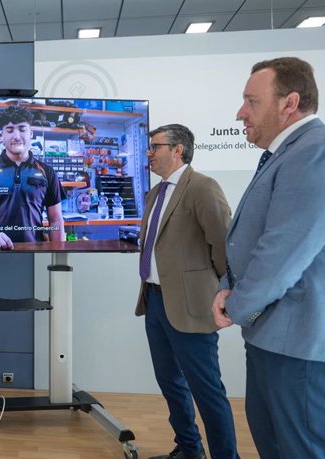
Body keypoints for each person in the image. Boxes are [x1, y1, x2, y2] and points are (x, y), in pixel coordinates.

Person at [212, 57, 325, 457]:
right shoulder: (290, 153)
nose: (240, 113)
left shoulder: (321, 154)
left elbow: (281, 255)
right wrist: (227, 286)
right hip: (276, 335)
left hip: (304, 342)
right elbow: (254, 238)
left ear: (289, 103)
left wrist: (235, 305)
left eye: (251, 101)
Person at [136, 124, 237, 459]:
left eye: (155, 146)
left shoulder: (203, 188)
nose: (149, 153)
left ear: (177, 150)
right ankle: (189, 450)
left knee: (206, 390)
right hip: (155, 301)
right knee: (171, 384)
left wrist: (222, 292)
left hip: (193, 305)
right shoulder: (155, 193)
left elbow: (224, 244)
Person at [0, 104, 66, 250]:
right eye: (10, 130)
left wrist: (58, 253)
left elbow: (56, 220)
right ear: (2, 135)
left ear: (30, 133)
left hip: (34, 252)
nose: (16, 136)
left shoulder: (47, 172)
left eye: (22, 129)